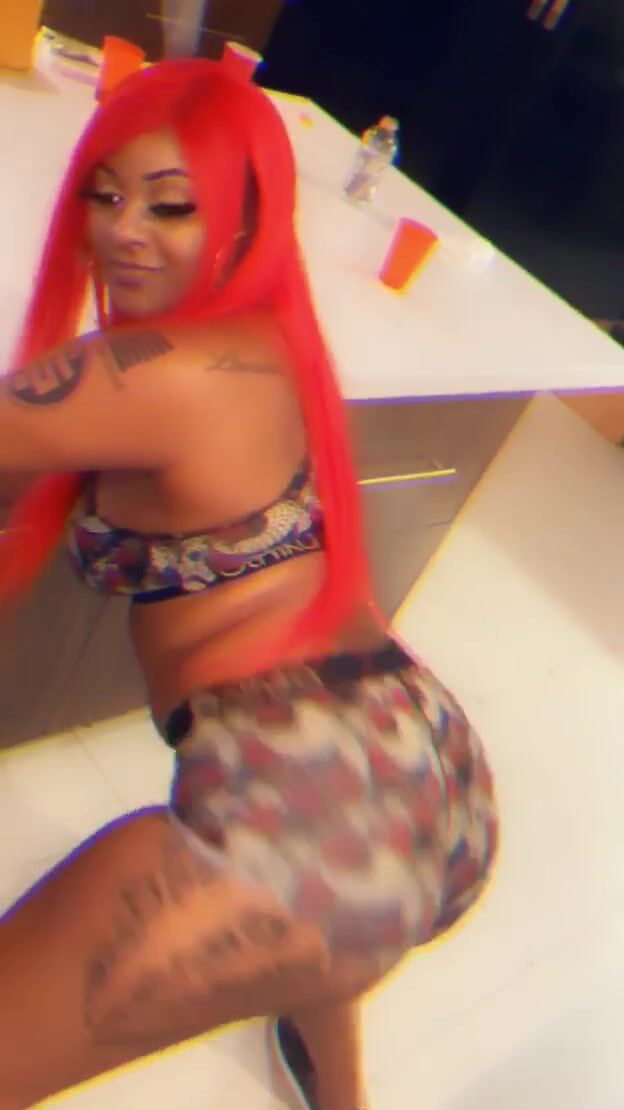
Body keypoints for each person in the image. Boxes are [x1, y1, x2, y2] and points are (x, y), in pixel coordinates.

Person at [0, 59, 497, 1110]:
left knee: (311, 906)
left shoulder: (154, 376)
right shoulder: (274, 340)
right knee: (325, 927)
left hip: (306, 817)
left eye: (170, 206)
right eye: (104, 193)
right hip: (426, 762)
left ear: (243, 217)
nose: (123, 230)